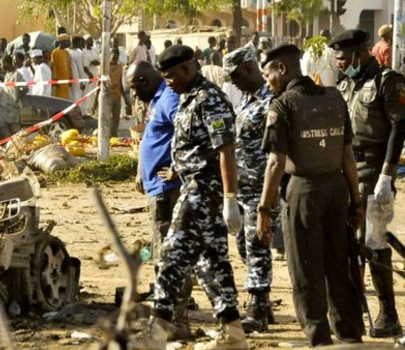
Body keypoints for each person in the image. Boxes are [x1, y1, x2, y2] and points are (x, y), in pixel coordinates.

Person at [257, 44, 365, 347]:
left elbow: (276, 163)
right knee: (338, 262)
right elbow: (348, 157)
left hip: (303, 191)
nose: (267, 82)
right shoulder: (335, 97)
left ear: (283, 69)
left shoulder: (282, 106)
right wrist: (356, 203)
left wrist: (264, 211)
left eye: (268, 75)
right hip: (337, 189)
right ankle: (349, 332)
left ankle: (318, 335)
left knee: (305, 267)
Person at [147, 45, 247, 348]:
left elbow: (225, 150)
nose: (168, 83)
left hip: (205, 190)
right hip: (196, 184)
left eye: (171, 77)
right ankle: (233, 333)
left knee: (172, 254)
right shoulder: (188, 97)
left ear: (188, 70)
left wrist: (230, 199)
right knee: (211, 261)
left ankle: (156, 332)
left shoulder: (209, 99)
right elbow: (195, 147)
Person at [330, 29, 405, 338]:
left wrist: (387, 175)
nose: (340, 65)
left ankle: (388, 314)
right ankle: (356, 310)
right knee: (350, 244)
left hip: (376, 171)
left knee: (375, 245)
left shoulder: (388, 81)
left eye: (344, 59)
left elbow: (399, 127)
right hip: (346, 171)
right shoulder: (345, 84)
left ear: (359, 55)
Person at [223, 46, 277, 333]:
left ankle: (256, 305)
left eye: (234, 75)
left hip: (262, 188)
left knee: (257, 246)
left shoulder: (273, 101)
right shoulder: (245, 100)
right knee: (244, 248)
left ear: (248, 69)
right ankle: (264, 301)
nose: (232, 81)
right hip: (242, 189)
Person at [128, 60, 181, 261]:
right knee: (160, 236)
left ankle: (170, 287)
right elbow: (149, 138)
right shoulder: (156, 100)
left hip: (167, 187)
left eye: (134, 88)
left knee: (165, 238)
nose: (133, 94)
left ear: (144, 81)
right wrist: (141, 171)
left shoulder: (170, 98)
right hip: (155, 184)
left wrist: (177, 166)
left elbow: (187, 132)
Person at [0, 55, 28, 138]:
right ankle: (10, 145)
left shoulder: (17, 75)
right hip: (5, 107)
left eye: (1, 64)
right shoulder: (7, 74)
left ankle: (18, 148)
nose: (1, 66)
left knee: (15, 131)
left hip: (13, 108)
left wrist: (17, 97)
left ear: (6, 63)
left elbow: (25, 88)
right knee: (2, 125)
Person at [83, 35, 100, 116]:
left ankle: (92, 109)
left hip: (95, 73)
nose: (92, 42)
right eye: (90, 40)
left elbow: (99, 60)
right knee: (88, 92)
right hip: (88, 75)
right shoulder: (83, 51)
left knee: (94, 93)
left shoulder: (95, 50)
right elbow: (84, 64)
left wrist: (96, 62)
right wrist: (91, 62)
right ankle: (87, 110)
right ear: (86, 42)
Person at [51, 34, 72, 99]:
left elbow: (68, 65)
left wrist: (70, 77)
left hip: (66, 79)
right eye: (67, 41)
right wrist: (55, 79)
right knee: (58, 97)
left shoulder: (67, 52)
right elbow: (54, 66)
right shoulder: (55, 53)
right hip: (59, 80)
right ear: (61, 42)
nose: (68, 43)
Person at [69, 36, 86, 105]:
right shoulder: (78, 54)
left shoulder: (67, 51)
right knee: (77, 99)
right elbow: (80, 70)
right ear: (76, 43)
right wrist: (82, 82)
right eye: (80, 43)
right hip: (76, 80)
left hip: (67, 79)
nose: (80, 45)